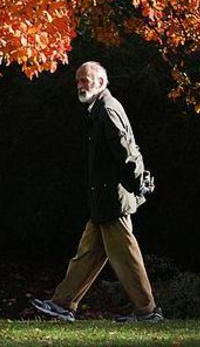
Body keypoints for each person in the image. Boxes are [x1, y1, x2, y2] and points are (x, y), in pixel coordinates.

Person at [30, 61, 164, 323]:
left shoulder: (108, 110)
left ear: (101, 82)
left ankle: (147, 311)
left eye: (86, 80)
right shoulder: (100, 109)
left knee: (126, 257)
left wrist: (139, 183)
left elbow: (126, 152)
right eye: (78, 81)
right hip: (104, 198)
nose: (80, 85)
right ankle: (63, 304)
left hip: (113, 199)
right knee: (88, 254)